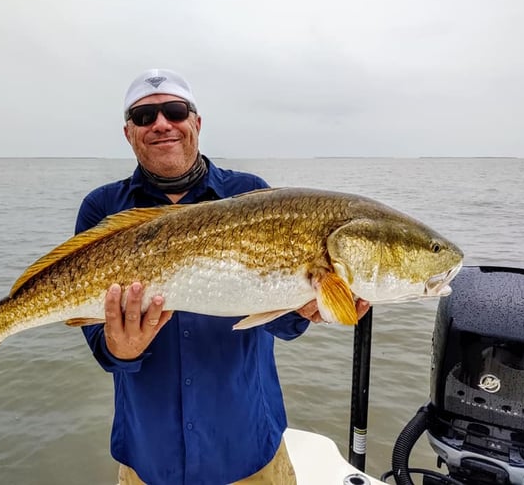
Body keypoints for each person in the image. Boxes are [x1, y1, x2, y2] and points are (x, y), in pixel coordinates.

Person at [75, 68, 370, 485]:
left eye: (175, 111)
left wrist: (306, 308)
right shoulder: (102, 209)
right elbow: (92, 333)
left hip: (248, 451)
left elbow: (281, 324)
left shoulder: (254, 195)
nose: (161, 124)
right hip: (149, 458)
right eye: (144, 117)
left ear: (196, 122)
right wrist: (119, 349)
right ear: (128, 132)